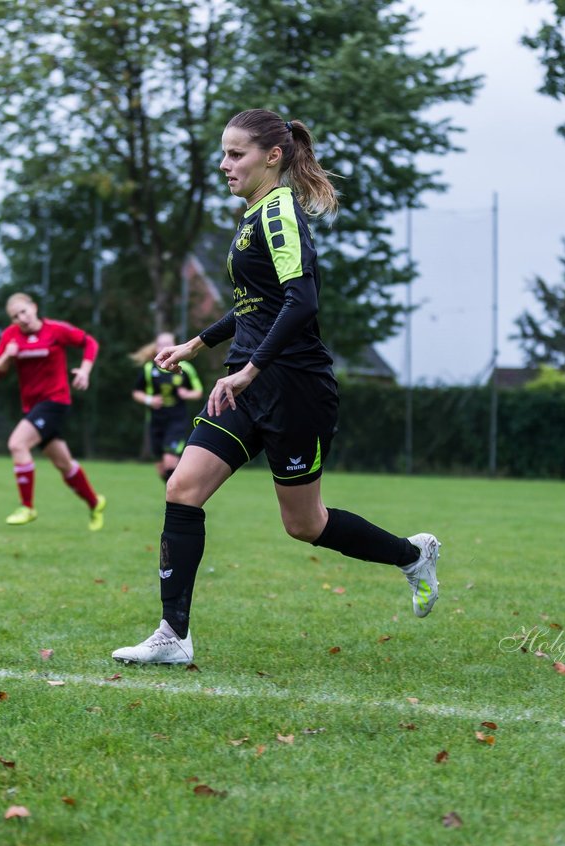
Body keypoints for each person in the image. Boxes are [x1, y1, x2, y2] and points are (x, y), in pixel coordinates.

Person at [111, 109, 441, 665]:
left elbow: (301, 301)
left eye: (235, 154)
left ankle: (413, 555)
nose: (224, 164)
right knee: (182, 488)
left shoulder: (280, 210)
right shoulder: (252, 217)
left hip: (295, 389)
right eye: (223, 153)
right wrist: (198, 344)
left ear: (273, 157)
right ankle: (173, 635)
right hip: (247, 382)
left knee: (305, 524)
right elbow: (255, 307)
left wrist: (250, 368)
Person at [0, 292, 106, 530]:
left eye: (23, 311)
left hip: (55, 402)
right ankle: (95, 503)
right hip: (32, 407)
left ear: (33, 307)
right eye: (15, 316)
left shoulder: (55, 329)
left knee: (17, 444)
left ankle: (27, 507)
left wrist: (85, 370)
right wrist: (6, 357)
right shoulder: (10, 337)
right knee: (64, 464)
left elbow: (90, 343)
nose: (21, 318)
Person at [131, 331, 204, 482]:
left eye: (168, 344)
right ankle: (175, 496)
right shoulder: (148, 370)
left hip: (176, 420)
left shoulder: (186, 369)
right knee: (162, 468)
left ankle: (179, 498)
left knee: (170, 461)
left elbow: (198, 392)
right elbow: (136, 392)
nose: (165, 347)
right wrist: (149, 400)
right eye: (161, 344)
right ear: (157, 348)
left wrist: (187, 394)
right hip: (156, 421)